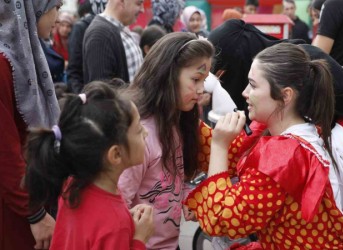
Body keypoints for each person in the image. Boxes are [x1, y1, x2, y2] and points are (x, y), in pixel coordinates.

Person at [186, 42, 343, 249]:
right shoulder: (290, 130)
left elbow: (224, 220)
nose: (244, 92)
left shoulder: (285, 153)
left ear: (285, 95)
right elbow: (234, 154)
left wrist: (220, 145)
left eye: (253, 85)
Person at [24, 81, 154, 249]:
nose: (146, 132)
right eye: (138, 129)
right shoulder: (115, 225)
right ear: (116, 154)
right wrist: (139, 240)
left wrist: (125, 221)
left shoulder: (72, 187)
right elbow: (106, 227)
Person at [118, 32, 215, 249]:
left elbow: (171, 181)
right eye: (195, 79)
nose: (201, 90)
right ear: (168, 74)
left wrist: (188, 197)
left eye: (204, 81)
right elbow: (116, 204)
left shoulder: (178, 121)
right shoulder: (139, 133)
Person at [0, 1, 62, 249]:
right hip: (15, 213)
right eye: (54, 5)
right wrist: (34, 213)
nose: (58, 14)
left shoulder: (23, 55)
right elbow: (4, 152)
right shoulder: (3, 63)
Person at [83, 0, 144, 84]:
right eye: (139, 3)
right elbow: (102, 92)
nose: (142, 10)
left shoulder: (119, 28)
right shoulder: (100, 34)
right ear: (122, 1)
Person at [67, 0, 108, 93]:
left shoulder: (115, 26)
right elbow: (74, 70)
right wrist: (81, 97)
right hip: (88, 96)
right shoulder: (81, 27)